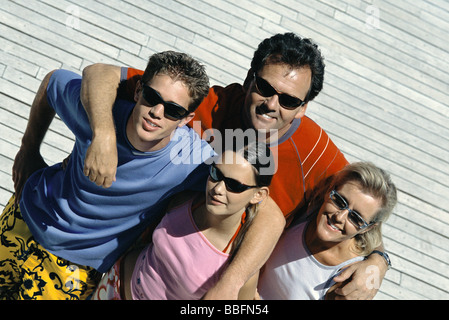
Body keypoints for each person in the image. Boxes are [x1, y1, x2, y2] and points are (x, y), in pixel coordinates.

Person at [79, 33, 390, 299]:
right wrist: (103, 134)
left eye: (289, 101)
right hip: (142, 268)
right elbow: (100, 73)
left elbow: (360, 206)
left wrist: (378, 261)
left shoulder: (315, 151)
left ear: (303, 108)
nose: (272, 104)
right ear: (248, 79)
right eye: (265, 88)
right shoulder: (213, 105)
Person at [0, 51, 215, 300]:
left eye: (173, 110)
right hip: (24, 217)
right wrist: (29, 149)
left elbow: (251, 190)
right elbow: (53, 82)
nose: (157, 111)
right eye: (152, 96)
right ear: (138, 91)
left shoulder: (192, 159)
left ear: (186, 119)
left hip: (73, 268)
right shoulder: (99, 113)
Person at [92, 142, 274, 300]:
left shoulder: (240, 264)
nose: (218, 188)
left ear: (258, 195)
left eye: (234, 185)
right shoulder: (185, 201)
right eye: (216, 174)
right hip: (113, 284)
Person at [257, 162, 397, 299]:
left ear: (367, 228)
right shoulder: (307, 209)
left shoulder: (348, 278)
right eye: (340, 201)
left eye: (355, 218)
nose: (340, 217)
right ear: (330, 190)